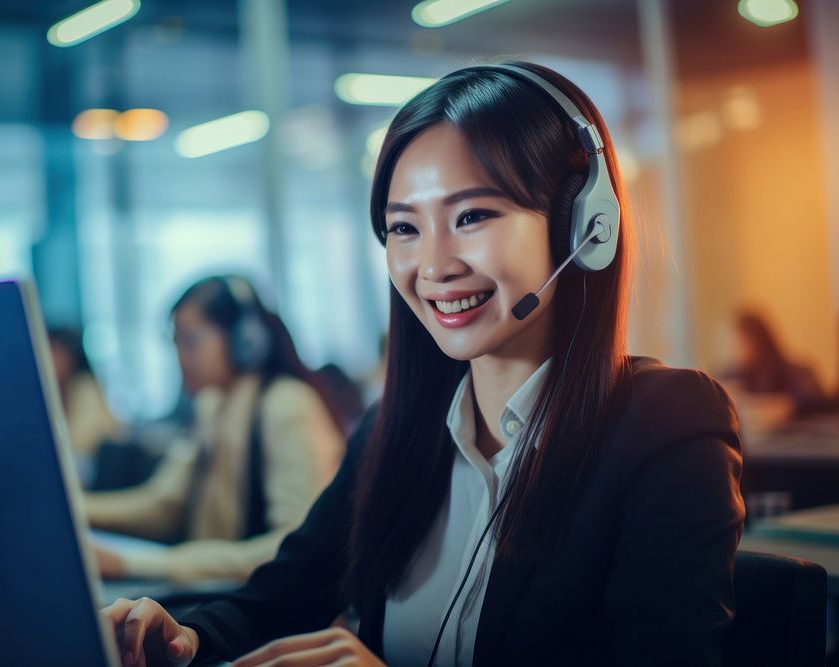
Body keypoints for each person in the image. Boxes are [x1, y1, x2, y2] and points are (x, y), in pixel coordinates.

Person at [101, 62, 745, 666]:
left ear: (584, 225)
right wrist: (184, 637)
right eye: (404, 228)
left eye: (472, 215)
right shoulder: (395, 431)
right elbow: (284, 594)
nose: (433, 267)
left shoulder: (665, 425)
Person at [86, 275, 345, 583]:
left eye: (191, 341)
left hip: (274, 608)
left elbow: (294, 546)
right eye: (176, 343)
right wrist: (73, 508)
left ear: (244, 339)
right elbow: (163, 504)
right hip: (221, 590)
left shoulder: (286, 405)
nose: (180, 358)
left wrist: (135, 563)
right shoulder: (212, 405)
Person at [720, 309, 829, 419]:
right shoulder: (732, 373)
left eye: (741, 342)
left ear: (759, 341)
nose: (735, 349)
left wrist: (782, 405)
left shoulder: (789, 370)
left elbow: (812, 396)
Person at [47, 327, 125, 469]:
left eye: (52, 352)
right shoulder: (55, 393)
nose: (46, 361)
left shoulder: (84, 386)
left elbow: (80, 442)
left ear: (69, 357)